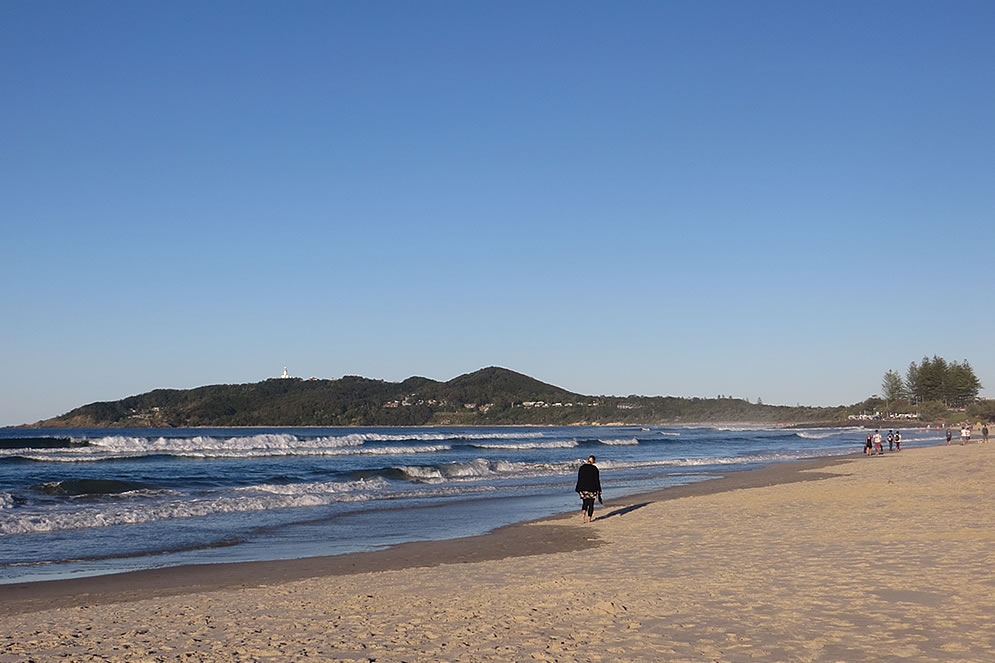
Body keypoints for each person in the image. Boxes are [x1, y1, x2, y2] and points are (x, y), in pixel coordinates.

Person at [575, 455, 602, 523]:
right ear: (594, 462)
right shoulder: (595, 469)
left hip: (582, 488)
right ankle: (589, 519)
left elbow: (579, 479)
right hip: (592, 488)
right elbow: (597, 480)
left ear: (587, 460)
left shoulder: (582, 468)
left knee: (585, 502)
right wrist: (599, 489)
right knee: (591, 504)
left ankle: (583, 514)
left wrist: (578, 488)